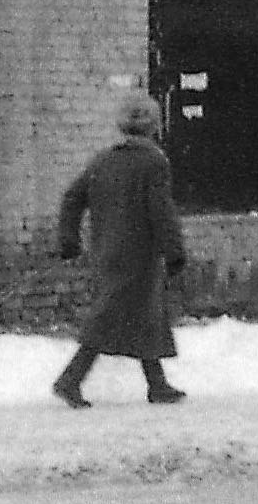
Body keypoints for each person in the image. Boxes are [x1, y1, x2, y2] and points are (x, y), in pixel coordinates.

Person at [52, 92, 189, 408]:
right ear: (154, 125)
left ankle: (158, 385)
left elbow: (72, 197)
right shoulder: (154, 162)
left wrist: (69, 240)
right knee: (111, 318)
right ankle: (69, 380)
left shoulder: (104, 160)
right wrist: (175, 252)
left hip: (107, 253)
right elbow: (161, 211)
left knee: (145, 317)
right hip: (139, 256)